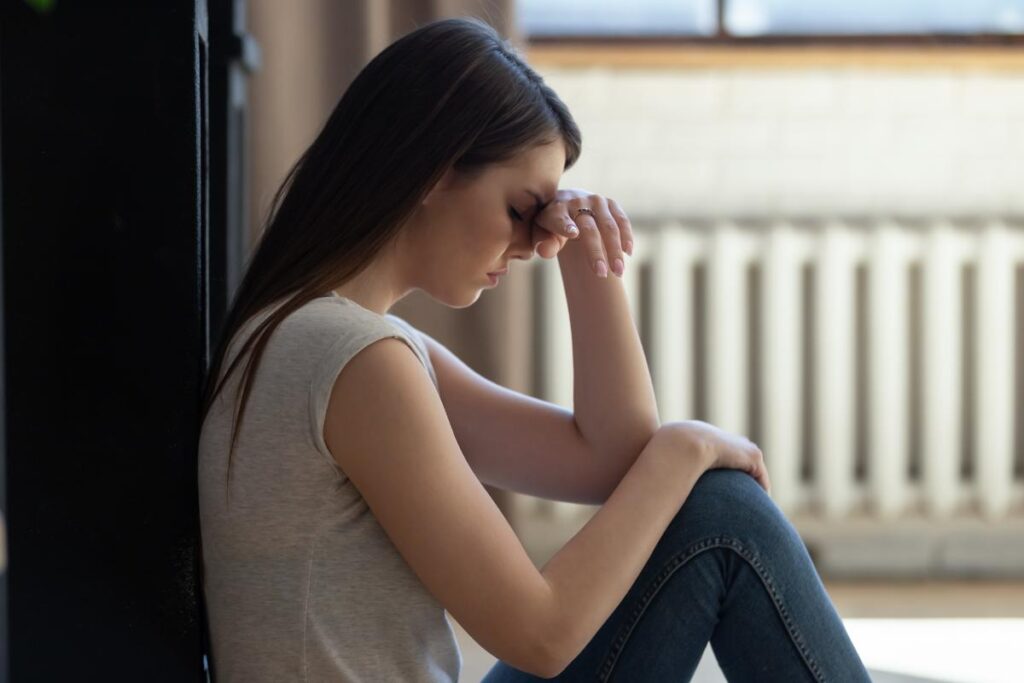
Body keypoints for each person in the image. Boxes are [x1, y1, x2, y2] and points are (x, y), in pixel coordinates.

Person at [197, 16, 872, 683]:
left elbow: (612, 459)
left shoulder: (326, 339)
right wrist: (684, 448)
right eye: (521, 210)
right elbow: (542, 633)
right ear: (434, 172)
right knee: (725, 515)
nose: (530, 244)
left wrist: (587, 262)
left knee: (712, 505)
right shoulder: (355, 362)